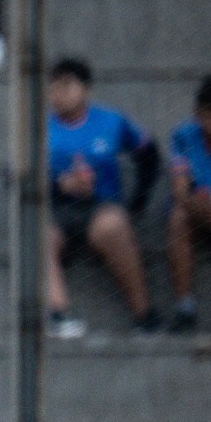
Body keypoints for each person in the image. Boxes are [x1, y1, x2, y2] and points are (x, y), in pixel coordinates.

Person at [47, 58, 161, 337]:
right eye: (53, 87)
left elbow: (150, 155)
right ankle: (57, 314)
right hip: (55, 209)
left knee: (114, 226)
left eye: (67, 86)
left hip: (101, 207)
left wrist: (138, 202)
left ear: (85, 90)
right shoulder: (38, 128)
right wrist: (59, 185)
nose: (58, 94)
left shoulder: (111, 122)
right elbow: (13, 177)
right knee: (36, 234)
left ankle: (144, 316)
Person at [167, 74, 211, 334]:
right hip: (198, 208)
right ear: (197, 115)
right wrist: (204, 206)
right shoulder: (183, 137)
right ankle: (185, 307)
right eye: (209, 115)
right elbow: (180, 191)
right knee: (177, 220)